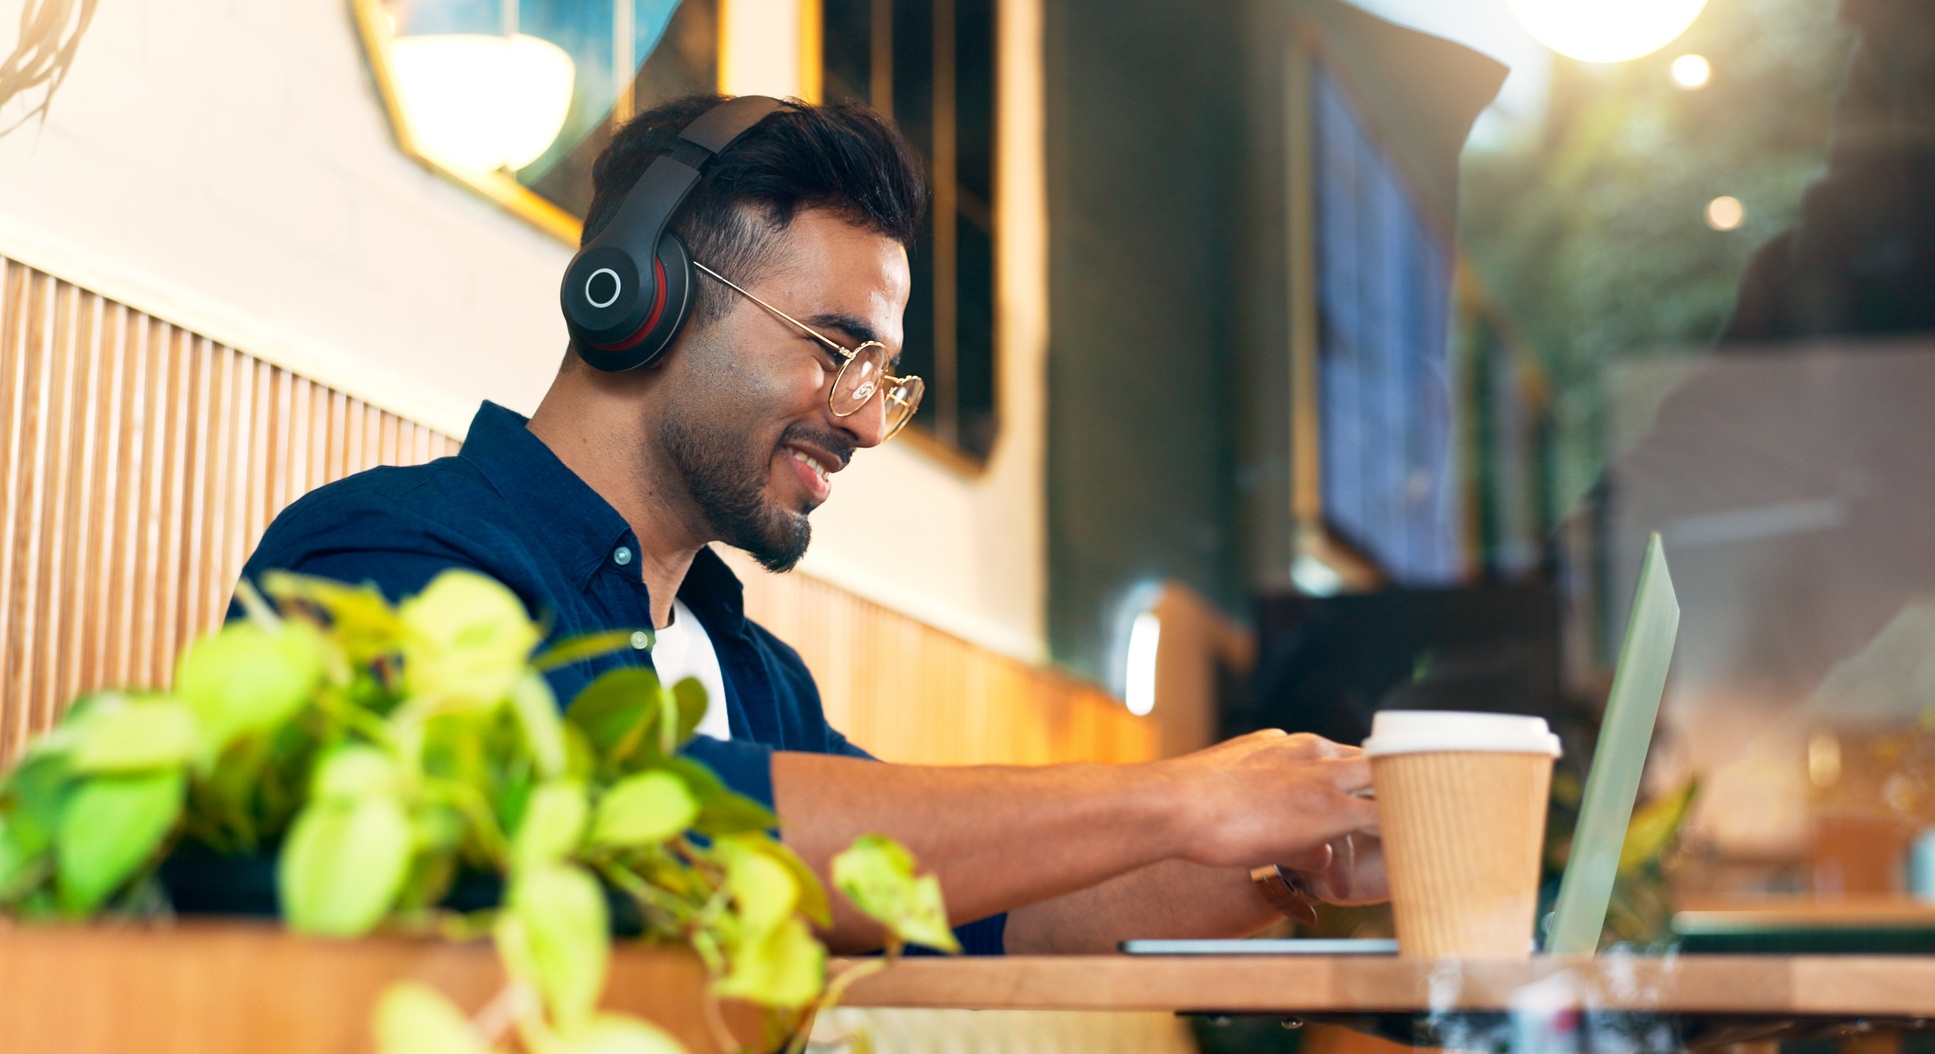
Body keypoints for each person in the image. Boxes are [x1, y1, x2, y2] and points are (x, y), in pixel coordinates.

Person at [237, 93, 1384, 956]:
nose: (864, 424)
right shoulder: (380, 553)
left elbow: (967, 905)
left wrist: (1288, 858)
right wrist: (1181, 795)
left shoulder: (752, 672)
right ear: (637, 295)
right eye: (838, 351)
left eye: (881, 377)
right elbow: (638, 830)